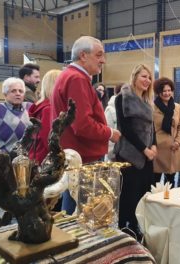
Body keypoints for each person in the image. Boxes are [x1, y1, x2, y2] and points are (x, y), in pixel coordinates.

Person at [51, 36, 121, 214]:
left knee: (74, 205)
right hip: (83, 156)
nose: (103, 60)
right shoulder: (77, 79)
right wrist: (109, 133)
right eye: (99, 55)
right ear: (83, 55)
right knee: (82, 212)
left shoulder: (69, 76)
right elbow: (82, 125)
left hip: (75, 155)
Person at [114, 64, 156, 240]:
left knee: (143, 193)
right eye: (143, 76)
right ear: (135, 77)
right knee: (128, 195)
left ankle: (138, 225)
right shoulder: (122, 98)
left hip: (147, 156)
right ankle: (125, 227)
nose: (147, 80)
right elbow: (126, 129)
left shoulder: (147, 101)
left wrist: (154, 146)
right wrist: (144, 149)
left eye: (149, 78)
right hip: (129, 155)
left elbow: (152, 128)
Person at [0, 77, 32, 153]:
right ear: (5, 94)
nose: (18, 93)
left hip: (26, 158)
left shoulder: (30, 107)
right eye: (13, 91)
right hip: (2, 158)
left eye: (21, 91)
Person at [152, 77, 180, 186]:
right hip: (157, 150)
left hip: (174, 148)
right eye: (164, 91)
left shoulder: (177, 107)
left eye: (169, 90)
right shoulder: (152, 107)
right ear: (158, 92)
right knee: (155, 182)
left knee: (171, 182)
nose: (167, 93)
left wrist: (178, 141)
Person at [28, 69, 61, 164]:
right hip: (46, 159)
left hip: (38, 155)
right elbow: (48, 139)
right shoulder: (49, 109)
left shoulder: (41, 106)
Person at [105, 83, 123, 161]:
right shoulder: (110, 109)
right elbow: (108, 129)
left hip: (123, 151)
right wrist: (111, 152)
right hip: (113, 153)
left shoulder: (126, 107)